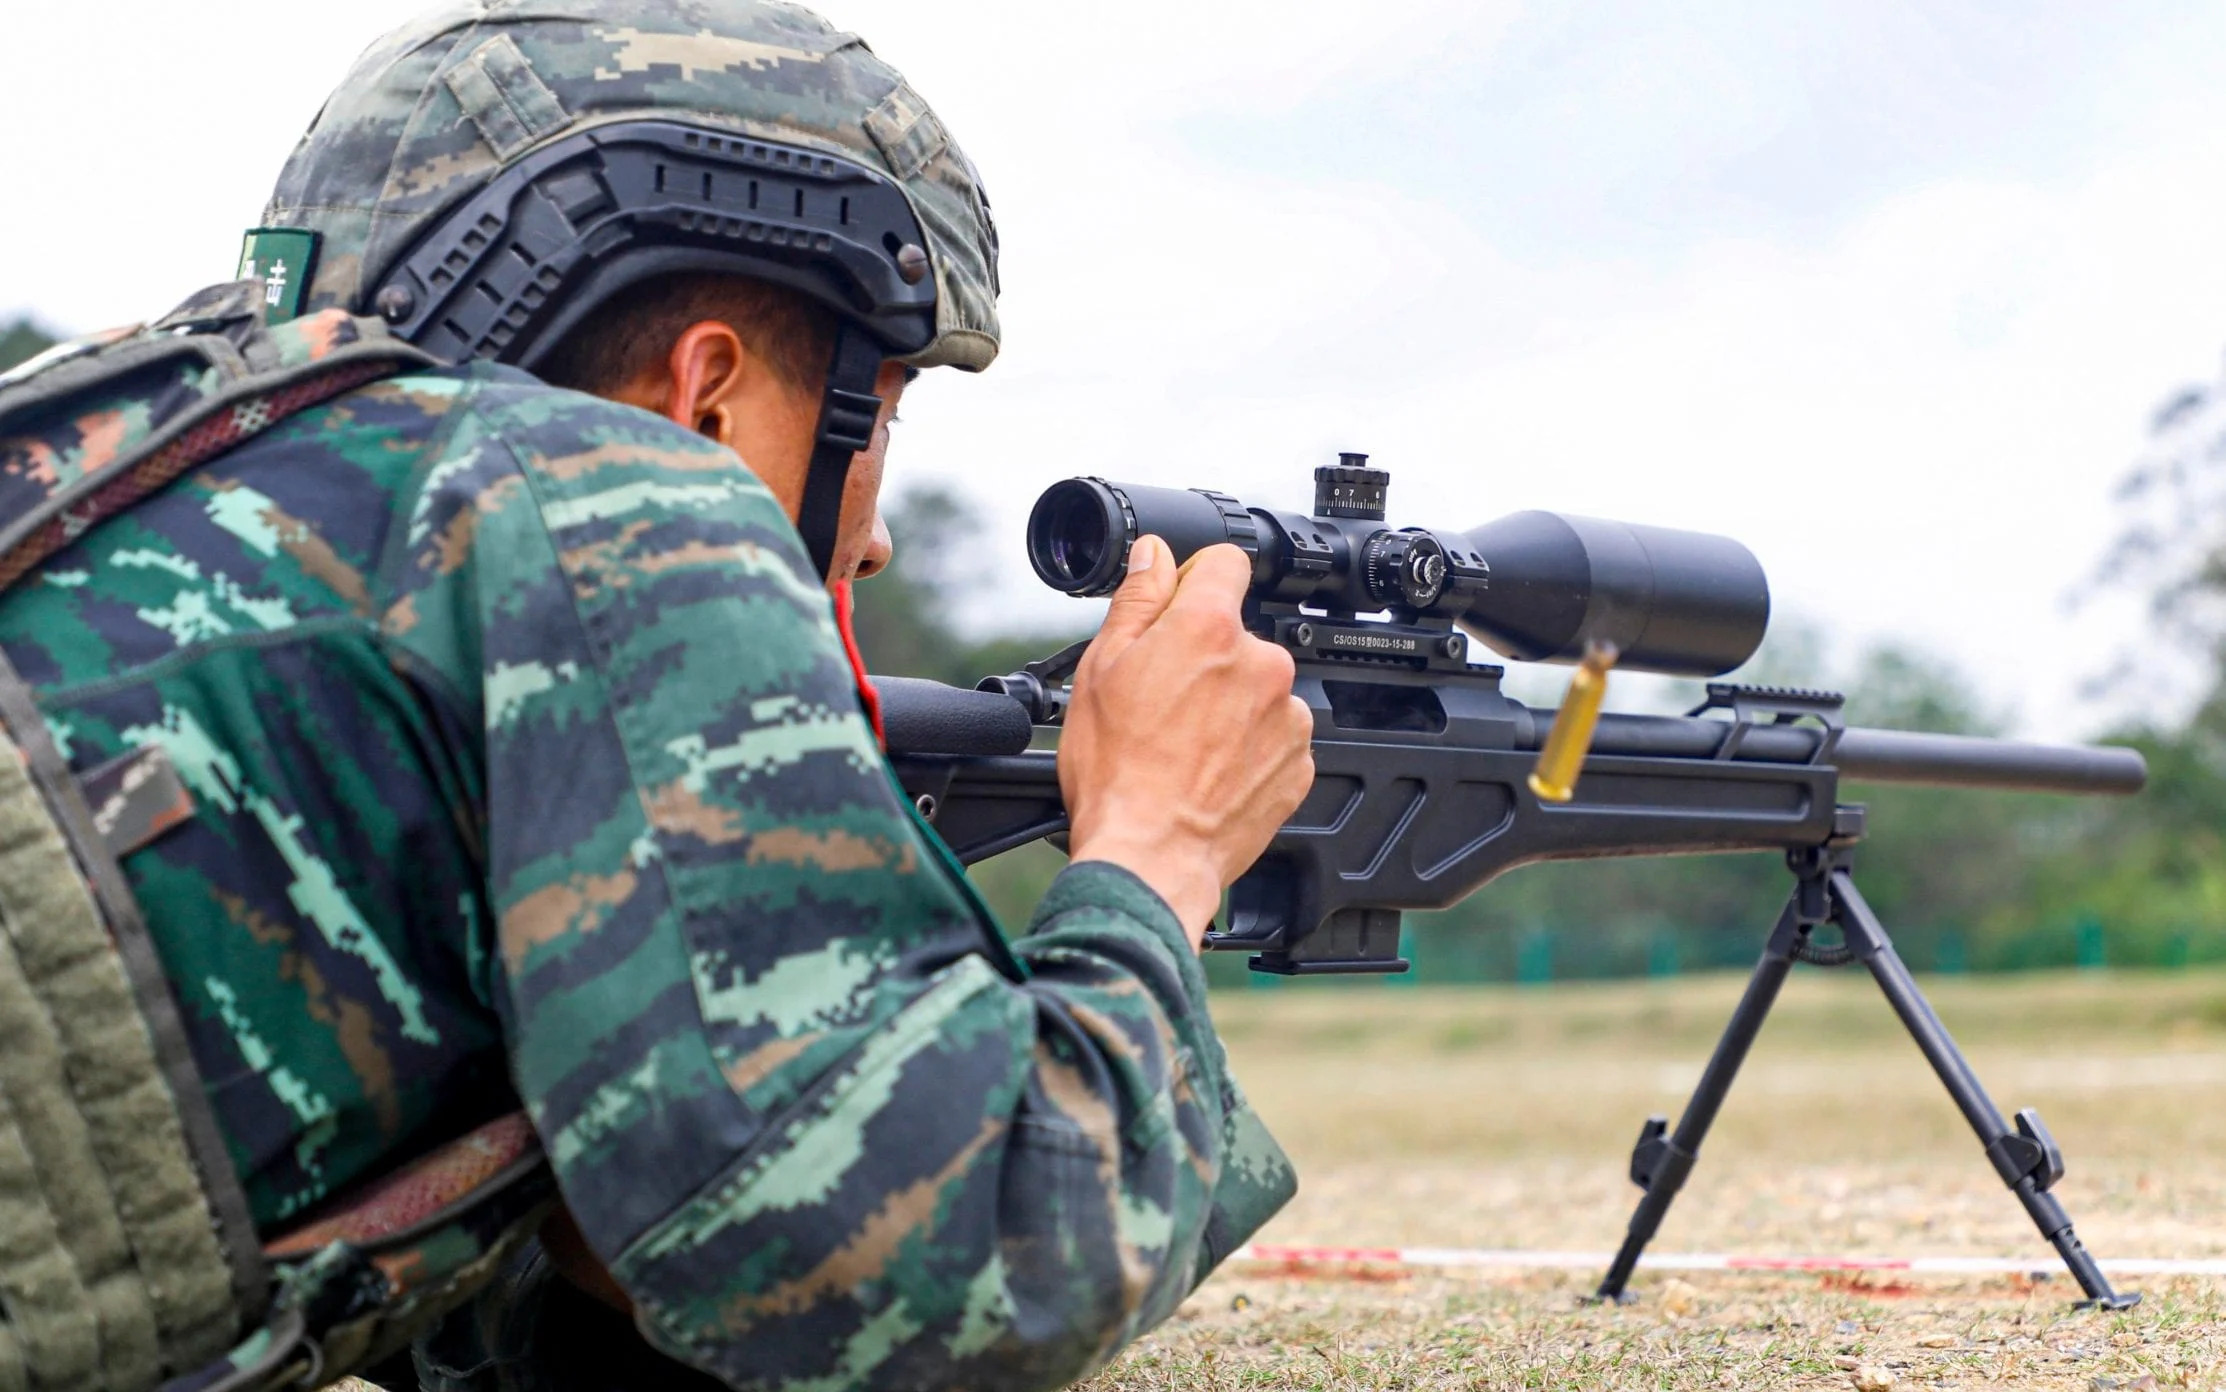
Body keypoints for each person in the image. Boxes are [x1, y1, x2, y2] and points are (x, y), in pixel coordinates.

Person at [0, 2, 1312, 1390]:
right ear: (706, 397)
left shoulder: (143, 484)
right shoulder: (599, 491)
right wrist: (1157, 843)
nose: (868, 542)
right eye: (889, 413)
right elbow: (959, 1275)